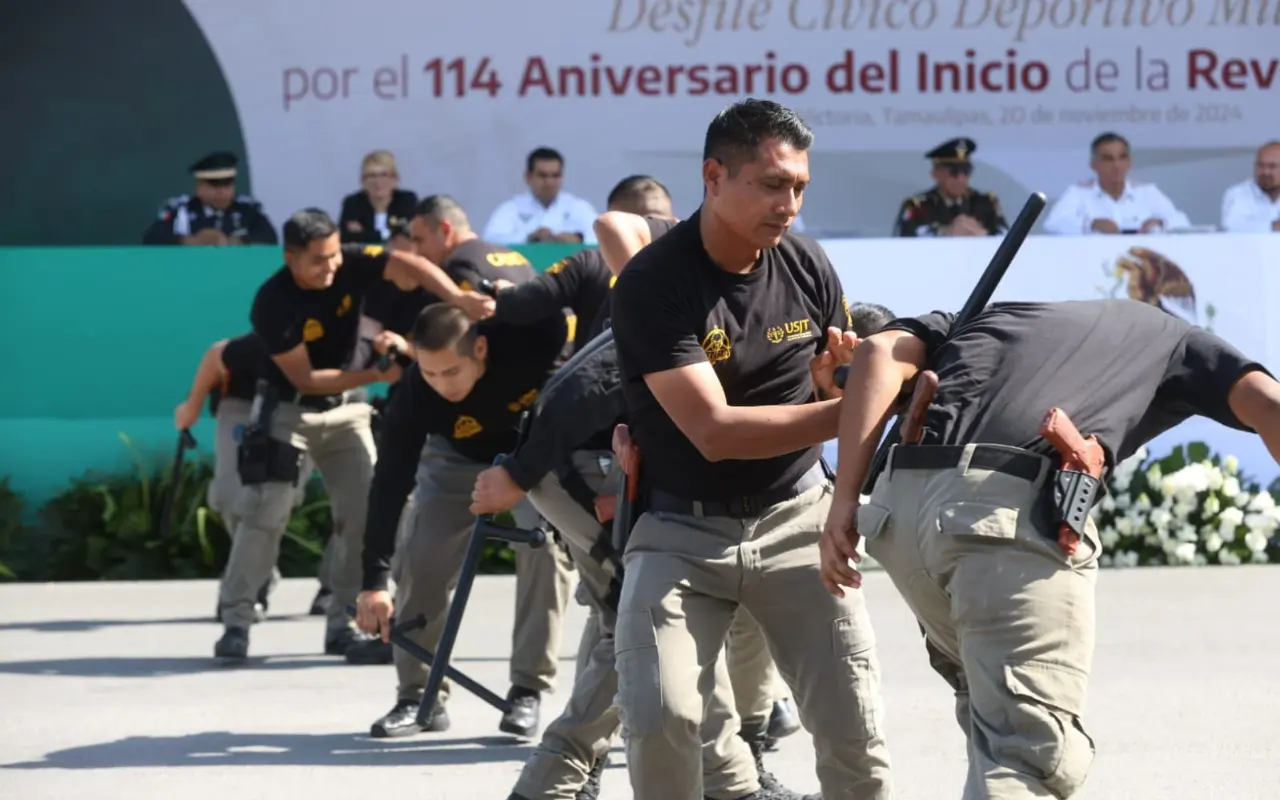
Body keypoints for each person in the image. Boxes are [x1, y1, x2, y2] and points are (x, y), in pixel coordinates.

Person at [821, 297, 1280, 798]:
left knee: (990, 713)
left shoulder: (986, 316)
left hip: (900, 520)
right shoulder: (1177, 340)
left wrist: (844, 501)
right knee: (1028, 753)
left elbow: (876, 356)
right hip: (999, 518)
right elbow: (1268, 405)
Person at [472, 200, 831, 800]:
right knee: (639, 624)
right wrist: (521, 474)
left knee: (633, 621)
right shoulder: (663, 309)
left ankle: (615, 777)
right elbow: (573, 402)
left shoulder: (734, 317)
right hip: (566, 468)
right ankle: (576, 780)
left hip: (614, 470)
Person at [607, 98, 894, 799]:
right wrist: (855, 410)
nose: (788, 203)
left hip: (797, 519)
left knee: (856, 737)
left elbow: (832, 388)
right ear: (713, 177)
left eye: (799, 186)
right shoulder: (652, 283)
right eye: (771, 184)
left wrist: (837, 392)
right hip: (677, 530)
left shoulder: (808, 263)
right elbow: (714, 430)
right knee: (660, 716)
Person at [214, 207, 497, 661]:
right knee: (266, 514)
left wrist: (456, 298)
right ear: (290, 257)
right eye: (318, 261)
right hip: (290, 412)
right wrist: (374, 374)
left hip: (347, 413)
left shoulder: (348, 259)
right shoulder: (272, 303)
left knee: (363, 514)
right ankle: (237, 620)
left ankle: (344, 622)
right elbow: (306, 379)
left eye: (333, 256)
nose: (331, 267)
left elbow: (410, 265)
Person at [355, 302, 570, 739]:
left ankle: (527, 689)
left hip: (528, 456)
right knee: (421, 555)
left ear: (482, 348)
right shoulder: (416, 393)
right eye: (429, 373)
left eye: (451, 372)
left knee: (544, 547)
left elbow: (564, 307)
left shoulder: (526, 347)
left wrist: (511, 298)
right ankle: (418, 696)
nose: (440, 385)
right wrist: (374, 580)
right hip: (454, 460)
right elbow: (389, 484)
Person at [1042, 132, 1192, 235]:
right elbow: (1053, 223)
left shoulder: (1147, 192)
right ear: (1094, 164)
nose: (1116, 165)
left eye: (1122, 158)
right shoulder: (1079, 193)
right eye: (1108, 159)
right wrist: (1091, 225)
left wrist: (1160, 222)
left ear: (1129, 162)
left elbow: (1183, 223)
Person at [143, 152, 278, 246]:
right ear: (199, 186)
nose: (221, 192)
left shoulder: (247, 212)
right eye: (214, 185)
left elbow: (270, 239)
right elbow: (151, 239)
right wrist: (189, 241)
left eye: (227, 185)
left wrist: (237, 242)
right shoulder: (180, 211)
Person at [892, 138, 1007, 237]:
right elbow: (903, 238)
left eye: (966, 171)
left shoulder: (986, 203)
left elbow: (1005, 235)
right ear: (935, 173)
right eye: (954, 172)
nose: (961, 179)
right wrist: (947, 233)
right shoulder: (918, 207)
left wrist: (981, 233)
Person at [483, 147, 599, 245]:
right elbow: (490, 242)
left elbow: (604, 240)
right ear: (528, 176)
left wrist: (579, 239)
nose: (549, 182)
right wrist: (528, 238)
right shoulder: (511, 208)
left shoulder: (579, 207)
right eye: (542, 176)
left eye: (555, 176)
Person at [339, 150, 419, 245]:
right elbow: (346, 239)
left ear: (395, 179)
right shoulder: (352, 203)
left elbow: (411, 235)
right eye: (372, 176)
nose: (378, 182)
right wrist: (389, 234)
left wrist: (365, 234)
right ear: (363, 181)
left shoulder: (407, 200)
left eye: (384, 175)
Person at [1220, 141, 1280, 233]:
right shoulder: (1237, 194)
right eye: (1260, 165)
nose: (1265, 172)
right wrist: (1273, 226)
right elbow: (1230, 227)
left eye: (1272, 166)